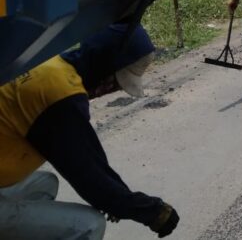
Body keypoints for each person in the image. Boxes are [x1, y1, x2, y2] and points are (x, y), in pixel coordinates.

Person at [0, 23, 180, 239]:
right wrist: (153, 212)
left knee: (45, 183)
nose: (107, 91)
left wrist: (118, 197)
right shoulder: (59, 97)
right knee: (88, 226)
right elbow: (90, 177)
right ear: (103, 64)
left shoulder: (52, 64)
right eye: (113, 83)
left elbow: (93, 167)